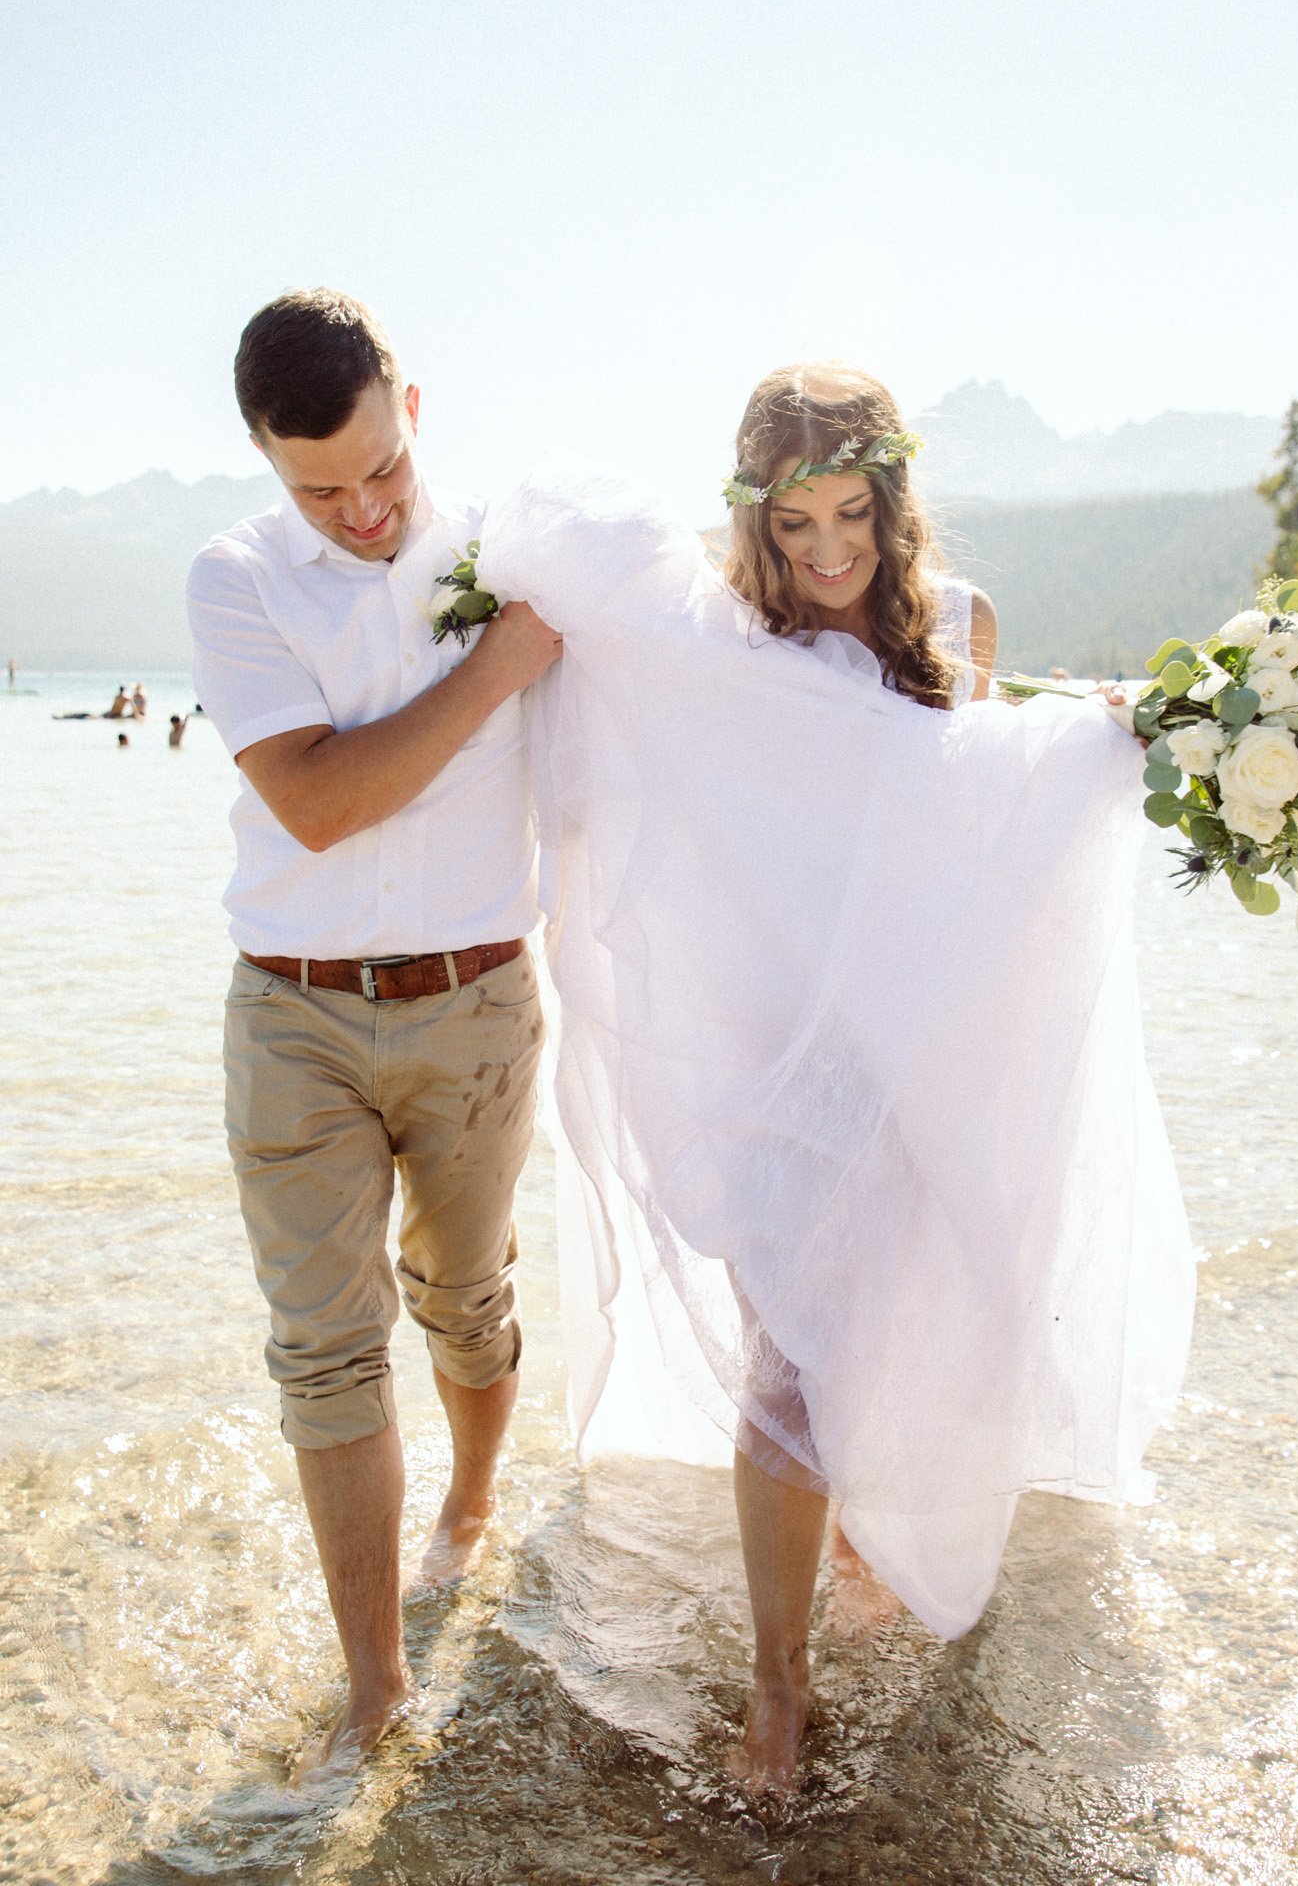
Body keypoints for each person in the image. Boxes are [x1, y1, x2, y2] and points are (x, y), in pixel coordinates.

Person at [472, 363, 1193, 1796]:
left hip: (921, 1038)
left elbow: (974, 823)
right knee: (792, 1358)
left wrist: (1094, 746)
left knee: (916, 1315)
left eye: (850, 514)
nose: (822, 553)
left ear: (891, 498)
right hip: (763, 1050)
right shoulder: (715, 636)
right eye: (792, 522)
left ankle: (868, 1544)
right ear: (750, 515)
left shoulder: (961, 621)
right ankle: (777, 1681)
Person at [186, 288, 561, 1775]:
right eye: (318, 489)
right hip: (292, 1015)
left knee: (463, 1297)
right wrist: (497, 667)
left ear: (413, 406)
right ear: (268, 464)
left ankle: (472, 1503)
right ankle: (377, 1684)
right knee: (323, 1351)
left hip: (478, 1001)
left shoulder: (515, 556)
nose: (358, 510)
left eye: (380, 473)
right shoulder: (234, 578)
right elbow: (321, 802)